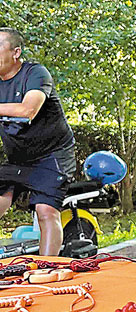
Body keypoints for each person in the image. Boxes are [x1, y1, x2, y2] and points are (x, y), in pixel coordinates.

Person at [0, 28, 77, 256]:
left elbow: (28, 110)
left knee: (46, 211)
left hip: (52, 155)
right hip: (18, 157)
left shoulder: (35, 74)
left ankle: (47, 267)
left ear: (15, 52)